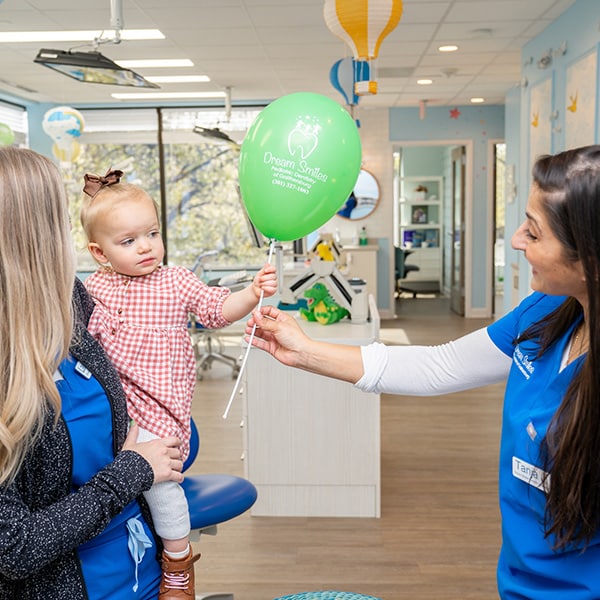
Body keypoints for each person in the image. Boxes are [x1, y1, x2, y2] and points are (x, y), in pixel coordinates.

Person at [245, 144, 600, 599]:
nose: (515, 240)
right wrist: (306, 351)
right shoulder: (547, 312)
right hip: (518, 581)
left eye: (533, 233)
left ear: (587, 255)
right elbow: (442, 364)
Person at [79, 169, 277, 597]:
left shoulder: (174, 281)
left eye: (152, 232)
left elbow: (216, 309)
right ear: (99, 252)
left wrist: (252, 291)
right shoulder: (94, 290)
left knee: (165, 490)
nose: (146, 246)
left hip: (159, 412)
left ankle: (177, 562)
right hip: (113, 412)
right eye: (128, 241)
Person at [0, 146, 185, 599]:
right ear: (37, 235)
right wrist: (132, 472)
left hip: (138, 566)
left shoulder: (71, 302)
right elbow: (15, 548)